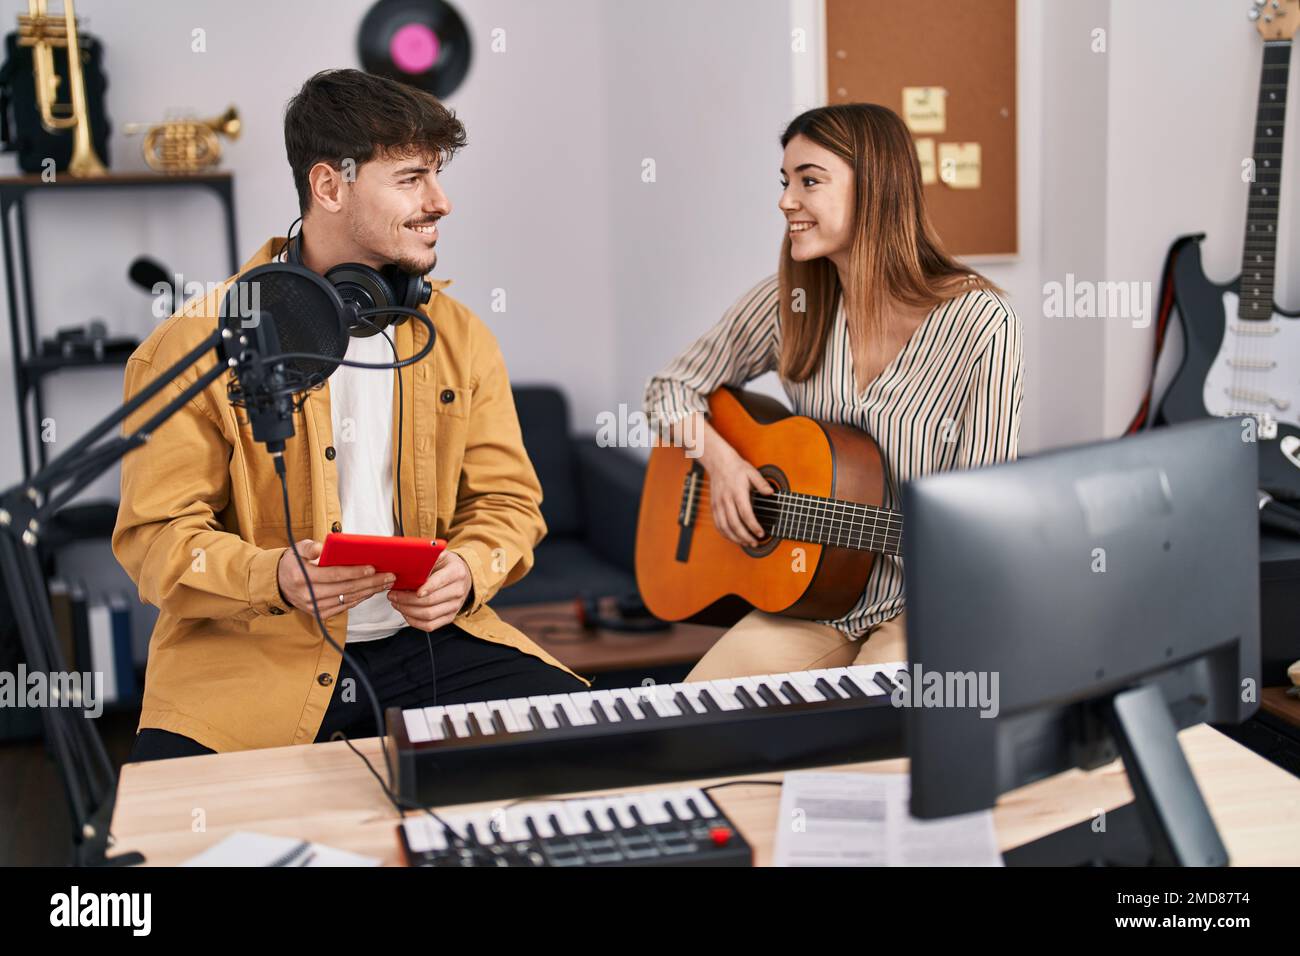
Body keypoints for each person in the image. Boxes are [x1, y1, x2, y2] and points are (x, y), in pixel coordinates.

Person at [113, 68, 585, 762]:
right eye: (412, 178)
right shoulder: (192, 344)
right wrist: (270, 576)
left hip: (431, 648)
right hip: (249, 665)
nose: (441, 202)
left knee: (596, 749)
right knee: (179, 836)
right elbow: (156, 540)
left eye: (438, 175)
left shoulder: (461, 338)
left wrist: (469, 569)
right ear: (329, 186)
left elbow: (509, 503)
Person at [644, 104, 1024, 682]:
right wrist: (721, 465)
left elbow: (982, 514)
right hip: (812, 601)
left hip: (919, 609)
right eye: (785, 182)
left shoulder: (980, 322)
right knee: (693, 723)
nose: (785, 201)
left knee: (870, 751)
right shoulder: (790, 302)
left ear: (875, 188)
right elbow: (670, 388)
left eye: (809, 181)